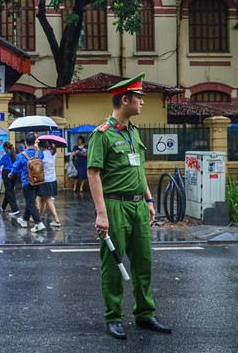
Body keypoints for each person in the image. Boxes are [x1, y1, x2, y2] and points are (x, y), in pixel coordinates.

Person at [87, 73, 172, 340]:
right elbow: (93, 174)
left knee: (144, 261)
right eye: (139, 98)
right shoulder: (102, 134)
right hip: (114, 206)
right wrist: (101, 214)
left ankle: (145, 314)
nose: (142, 103)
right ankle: (113, 317)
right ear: (125, 100)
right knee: (113, 265)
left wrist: (148, 198)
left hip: (137, 206)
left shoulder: (134, 132)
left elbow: (139, 168)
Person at [9, 133, 46, 233]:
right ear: (34, 142)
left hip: (28, 182)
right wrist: (37, 147)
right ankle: (24, 220)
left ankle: (39, 223)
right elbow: (41, 157)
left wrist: (11, 174)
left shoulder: (21, 155)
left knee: (31, 203)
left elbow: (15, 168)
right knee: (31, 201)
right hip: (38, 181)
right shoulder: (39, 153)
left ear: (25, 142)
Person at [37, 140, 60, 226]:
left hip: (45, 180)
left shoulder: (41, 155)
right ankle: (38, 216)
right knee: (43, 199)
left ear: (41, 147)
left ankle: (56, 219)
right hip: (52, 179)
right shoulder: (53, 153)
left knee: (47, 199)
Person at [0, 141, 19, 217]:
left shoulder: (7, 155)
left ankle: (15, 209)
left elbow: (0, 163)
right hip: (14, 173)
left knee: (9, 191)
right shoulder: (16, 154)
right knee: (9, 190)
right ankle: (3, 207)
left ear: (6, 148)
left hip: (7, 173)